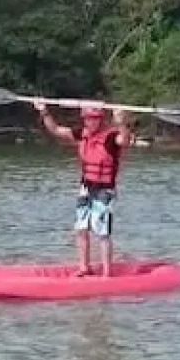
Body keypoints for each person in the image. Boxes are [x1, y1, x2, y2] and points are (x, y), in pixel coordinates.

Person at [34, 99, 134, 277]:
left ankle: (107, 273)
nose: (91, 122)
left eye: (95, 118)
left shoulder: (111, 137)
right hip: (86, 188)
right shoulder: (82, 133)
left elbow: (124, 140)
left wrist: (121, 122)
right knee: (81, 229)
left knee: (102, 232)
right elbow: (56, 130)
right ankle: (83, 267)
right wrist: (44, 111)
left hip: (104, 191)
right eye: (88, 118)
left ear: (100, 119)